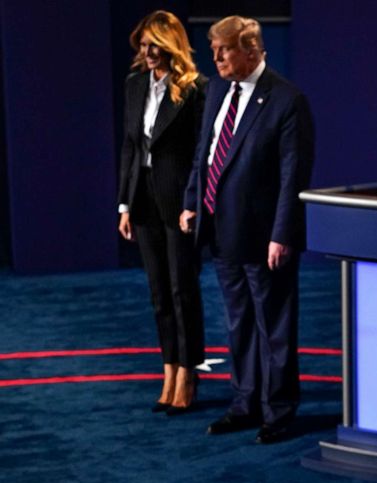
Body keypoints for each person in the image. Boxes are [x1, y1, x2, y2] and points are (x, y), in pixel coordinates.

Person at [180, 15, 314, 444]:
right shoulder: (217, 89)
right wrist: (190, 203)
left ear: (251, 50)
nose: (215, 57)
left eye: (225, 49)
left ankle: (278, 410)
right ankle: (244, 402)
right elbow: (204, 154)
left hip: (263, 236)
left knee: (273, 325)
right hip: (220, 230)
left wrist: (284, 233)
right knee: (238, 322)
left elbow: (294, 175)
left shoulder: (286, 99)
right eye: (214, 48)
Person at [118, 10, 206, 415]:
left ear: (171, 46)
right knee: (158, 293)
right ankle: (168, 368)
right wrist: (124, 204)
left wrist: (193, 203)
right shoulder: (134, 84)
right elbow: (131, 148)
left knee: (181, 289)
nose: (148, 51)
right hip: (143, 201)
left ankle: (188, 372)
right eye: (143, 44)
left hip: (178, 202)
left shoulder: (195, 89)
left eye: (155, 44)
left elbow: (201, 157)